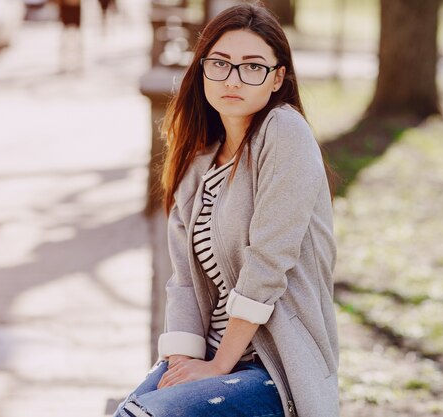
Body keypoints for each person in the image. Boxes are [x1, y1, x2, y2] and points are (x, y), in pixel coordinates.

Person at [114, 3, 339, 417]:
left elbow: (268, 263)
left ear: (277, 78)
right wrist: (180, 361)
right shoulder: (198, 163)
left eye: (252, 67)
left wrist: (217, 366)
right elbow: (183, 280)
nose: (233, 78)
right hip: (213, 354)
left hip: (274, 366)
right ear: (202, 71)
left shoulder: (284, 132)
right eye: (220, 63)